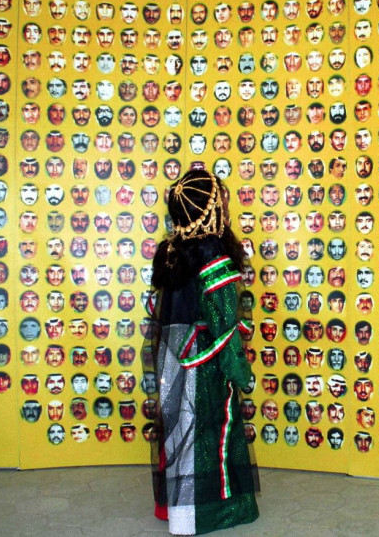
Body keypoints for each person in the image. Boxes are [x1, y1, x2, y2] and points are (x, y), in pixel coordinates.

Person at [149, 170, 259, 534]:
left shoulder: (171, 253)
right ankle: (209, 512)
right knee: (211, 433)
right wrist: (243, 375)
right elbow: (225, 330)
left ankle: (175, 511)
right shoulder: (215, 258)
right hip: (204, 365)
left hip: (173, 360)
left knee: (179, 431)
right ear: (212, 213)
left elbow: (164, 314)